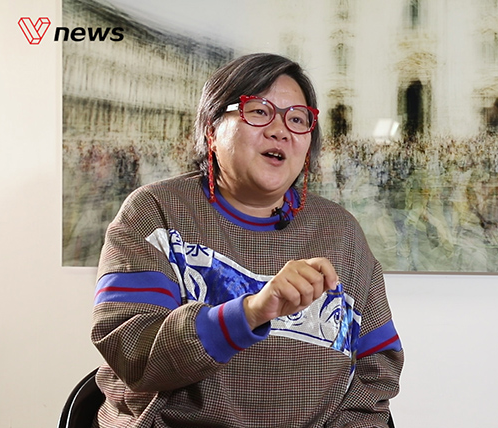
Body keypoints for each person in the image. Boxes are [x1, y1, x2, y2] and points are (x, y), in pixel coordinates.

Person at [91, 53, 403, 428]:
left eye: (297, 119)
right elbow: (133, 351)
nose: (280, 130)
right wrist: (251, 312)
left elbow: (376, 371)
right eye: (259, 112)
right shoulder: (156, 211)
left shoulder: (342, 232)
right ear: (212, 130)